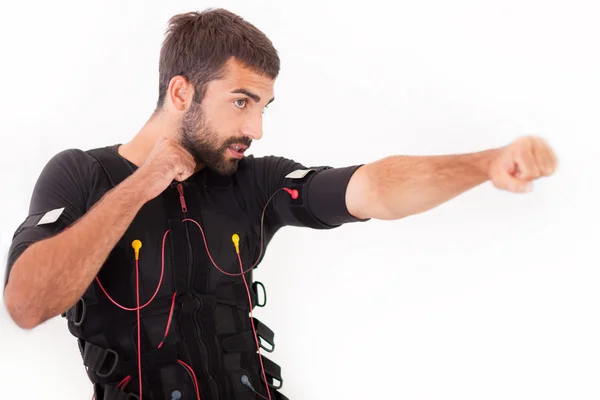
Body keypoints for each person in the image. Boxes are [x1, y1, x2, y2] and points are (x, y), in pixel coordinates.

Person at [2, 8, 557, 400]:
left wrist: (484, 165)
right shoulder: (81, 174)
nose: (257, 128)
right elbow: (26, 304)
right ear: (180, 93)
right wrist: (138, 187)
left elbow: (374, 189)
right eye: (241, 102)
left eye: (264, 106)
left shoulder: (251, 181)